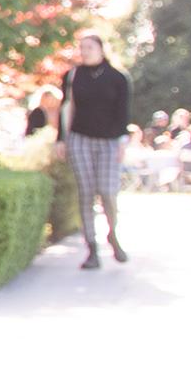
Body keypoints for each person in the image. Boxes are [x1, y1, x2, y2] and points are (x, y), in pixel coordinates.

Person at [62, 29, 131, 267]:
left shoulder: (118, 78)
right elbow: (67, 108)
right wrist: (62, 139)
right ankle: (91, 248)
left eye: (90, 47)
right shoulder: (73, 76)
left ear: (101, 49)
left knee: (108, 191)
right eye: (82, 48)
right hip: (80, 139)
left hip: (109, 141)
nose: (85, 52)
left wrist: (123, 140)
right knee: (86, 192)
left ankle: (112, 234)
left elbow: (123, 113)